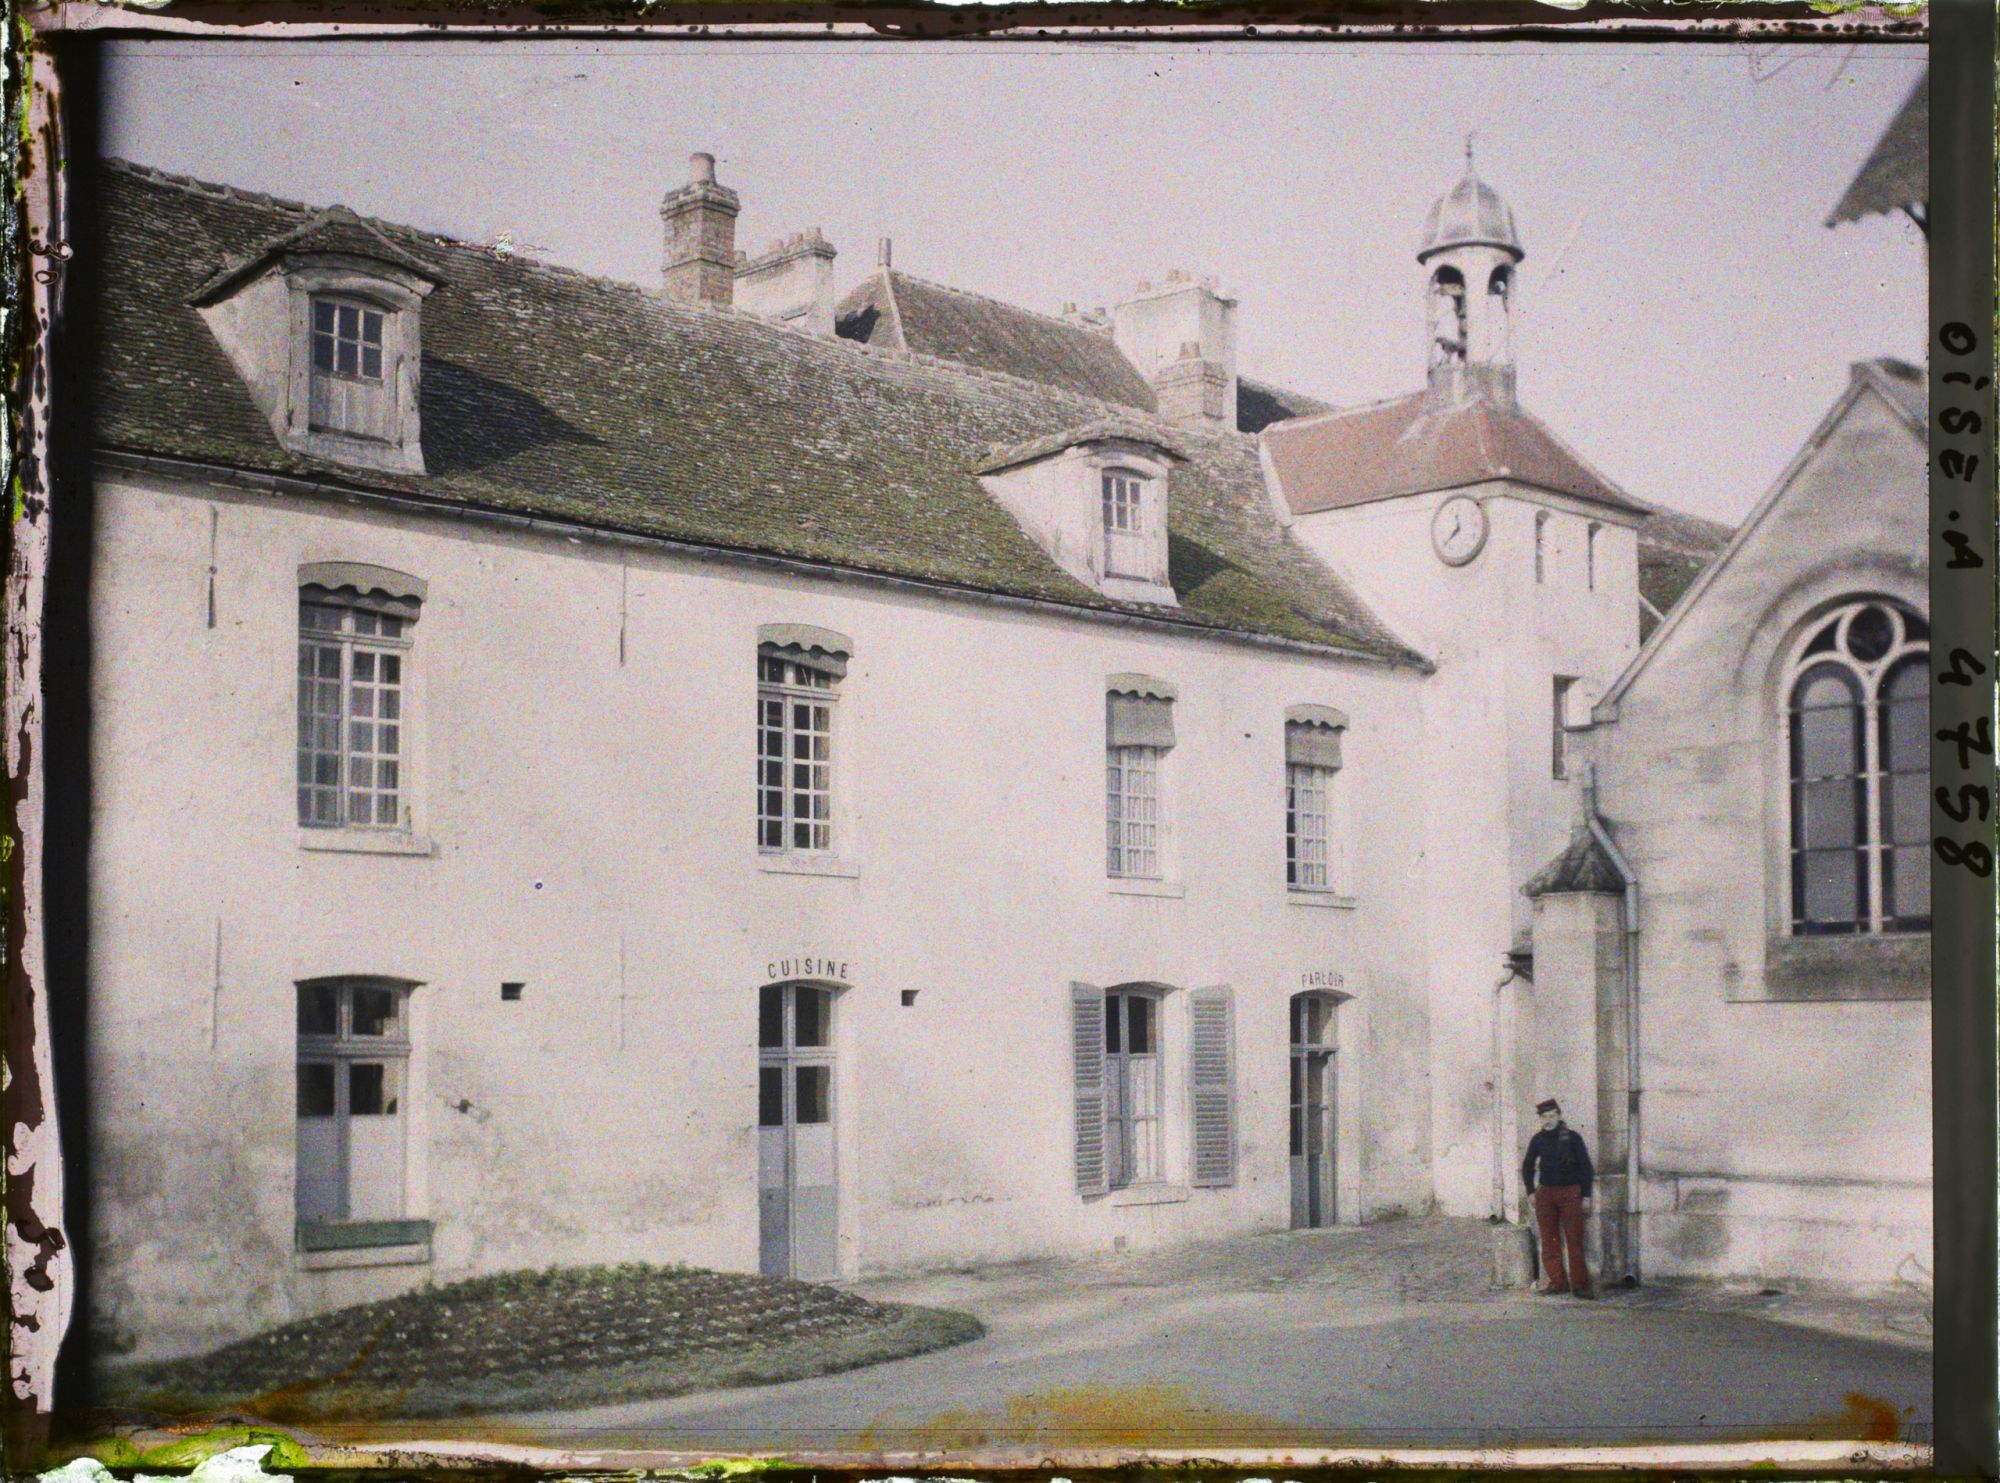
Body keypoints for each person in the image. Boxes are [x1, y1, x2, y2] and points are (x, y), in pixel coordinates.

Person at [1521, 1098, 1595, 1299]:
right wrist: (1530, 1191)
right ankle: (1558, 1282)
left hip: (1570, 1193)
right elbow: (1527, 1166)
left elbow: (1586, 1168)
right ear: (1540, 1119)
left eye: (1552, 1115)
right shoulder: (1537, 1140)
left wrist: (1586, 1196)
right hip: (1546, 1194)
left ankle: (1580, 1285)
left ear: (1559, 1116)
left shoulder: (1572, 1138)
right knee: (1549, 1240)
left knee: (1574, 1240)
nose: (1548, 1120)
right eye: (1544, 1116)